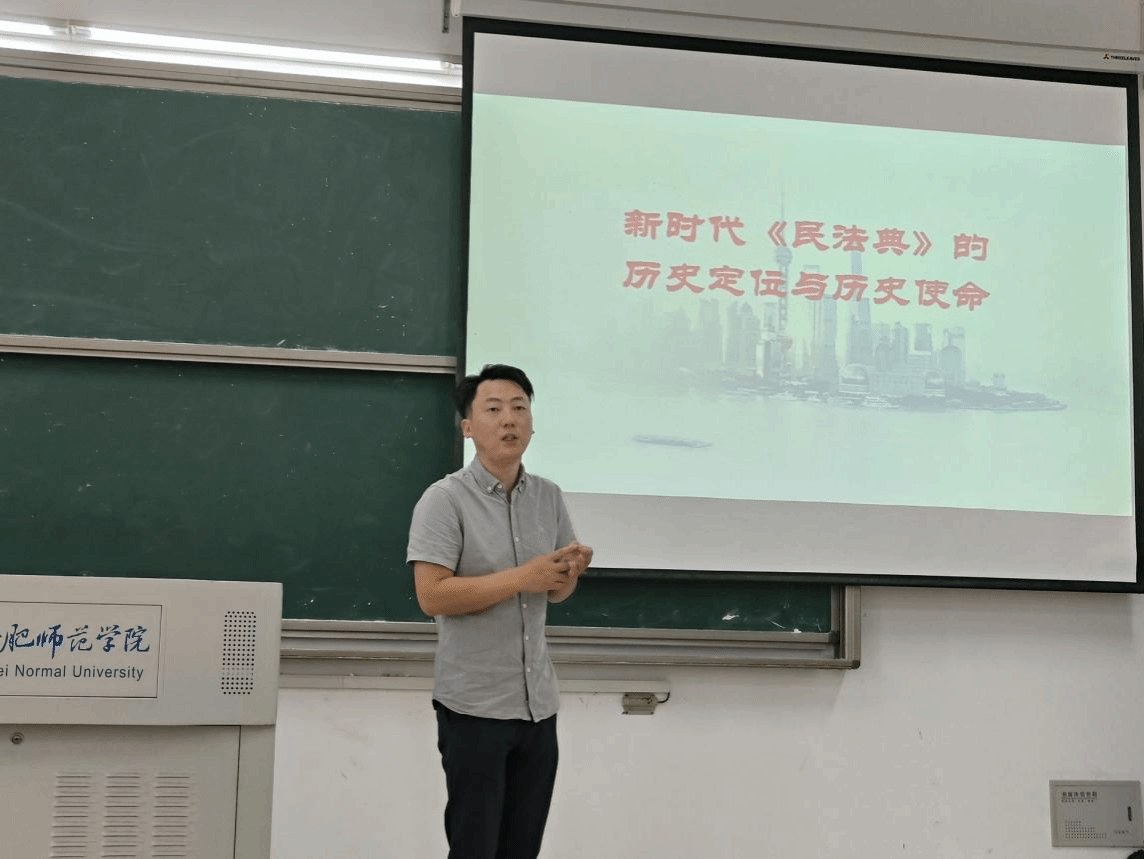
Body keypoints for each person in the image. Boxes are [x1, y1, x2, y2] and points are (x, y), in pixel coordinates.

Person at [407, 363, 593, 859]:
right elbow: (432, 596)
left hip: (538, 706)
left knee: (522, 848)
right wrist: (523, 577)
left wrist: (567, 574)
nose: (509, 419)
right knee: (475, 847)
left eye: (519, 408)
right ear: (468, 427)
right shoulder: (444, 500)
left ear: (532, 422)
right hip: (474, 709)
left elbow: (553, 593)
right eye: (493, 409)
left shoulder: (549, 496)